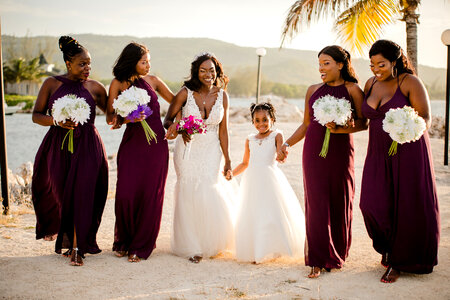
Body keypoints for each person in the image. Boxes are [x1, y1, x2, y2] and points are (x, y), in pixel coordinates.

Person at [278, 45, 367, 278]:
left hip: (341, 152)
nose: (321, 68)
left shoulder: (353, 89)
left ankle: (336, 253)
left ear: (340, 64)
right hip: (314, 152)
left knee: (340, 199)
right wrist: (286, 144)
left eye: (326, 63)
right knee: (316, 204)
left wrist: (341, 129)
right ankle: (317, 258)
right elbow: (307, 125)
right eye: (319, 64)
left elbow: (363, 122)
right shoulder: (313, 90)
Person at [360, 39, 440, 283]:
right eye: (372, 64)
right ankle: (386, 246)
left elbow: (426, 118)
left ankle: (398, 259)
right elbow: (363, 120)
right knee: (370, 203)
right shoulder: (370, 83)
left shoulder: (410, 82)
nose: (376, 69)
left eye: (381, 64)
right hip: (377, 153)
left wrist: (407, 128)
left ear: (394, 61)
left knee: (405, 205)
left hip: (408, 152)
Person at [31, 36, 108, 266]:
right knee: (63, 196)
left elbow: (113, 115)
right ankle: (68, 241)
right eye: (82, 64)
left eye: (89, 64)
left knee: (82, 195)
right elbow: (36, 115)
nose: (87, 68)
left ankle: (77, 247)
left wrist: (134, 112)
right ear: (68, 64)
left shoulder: (95, 87)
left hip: (88, 148)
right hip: (58, 147)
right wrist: (56, 121)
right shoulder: (51, 84)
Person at [164, 52, 236, 263]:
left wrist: (228, 160)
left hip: (212, 148)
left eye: (212, 70)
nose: (208, 74)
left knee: (208, 188)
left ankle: (209, 243)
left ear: (217, 72)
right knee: (187, 190)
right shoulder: (185, 93)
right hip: (187, 148)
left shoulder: (223, 95)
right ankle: (192, 246)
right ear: (196, 72)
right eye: (203, 70)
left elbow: (223, 130)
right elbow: (167, 120)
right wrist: (179, 128)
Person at [107, 42, 174, 262]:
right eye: (143, 61)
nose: (147, 65)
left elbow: (177, 102)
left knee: (150, 195)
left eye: (149, 61)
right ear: (132, 61)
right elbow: (111, 118)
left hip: (156, 145)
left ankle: (141, 245)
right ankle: (124, 240)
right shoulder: (117, 84)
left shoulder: (153, 81)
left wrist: (172, 123)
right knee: (126, 193)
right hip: (132, 145)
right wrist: (128, 118)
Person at [232, 102, 306, 263]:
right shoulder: (249, 139)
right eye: (257, 120)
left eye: (265, 119)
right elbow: (245, 163)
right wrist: (232, 173)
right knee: (255, 213)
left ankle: (276, 247)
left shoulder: (276, 135)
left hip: (270, 179)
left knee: (272, 213)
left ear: (272, 119)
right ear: (252, 122)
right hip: (252, 181)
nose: (261, 124)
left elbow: (280, 153)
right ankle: (258, 250)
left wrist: (282, 154)